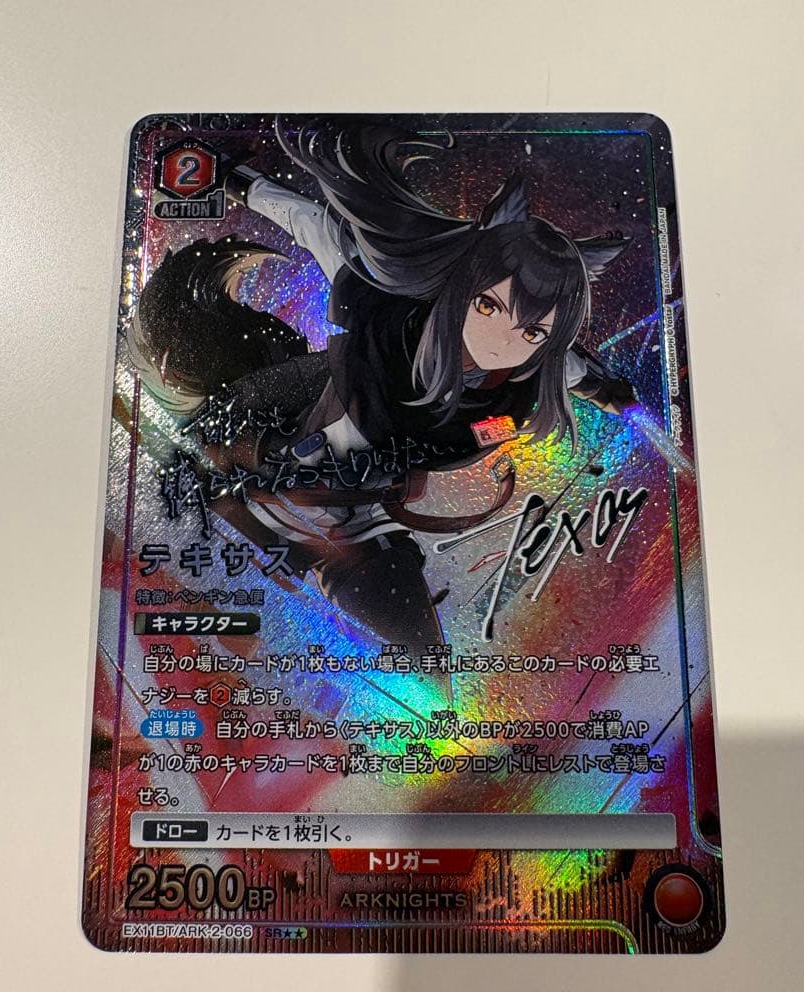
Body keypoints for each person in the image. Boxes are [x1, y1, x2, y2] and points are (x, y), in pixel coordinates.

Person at [130, 116, 635, 654]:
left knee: (419, 647)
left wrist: (607, 392)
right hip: (292, 462)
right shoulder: (383, 304)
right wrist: (233, 179)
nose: (504, 342)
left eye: (533, 331)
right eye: (489, 306)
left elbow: (571, 367)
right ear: (464, 282)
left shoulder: (537, 370)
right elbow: (311, 221)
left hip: (363, 505)